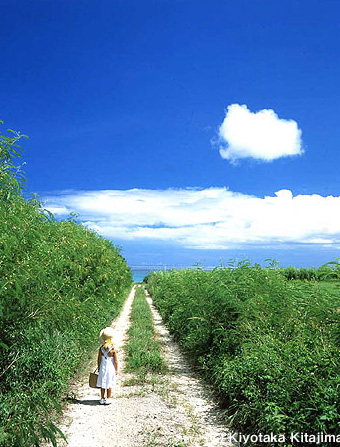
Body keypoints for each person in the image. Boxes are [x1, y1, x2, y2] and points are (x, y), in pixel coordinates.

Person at [96, 326, 118, 405]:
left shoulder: (101, 349)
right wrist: (116, 369)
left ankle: (102, 398)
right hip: (110, 368)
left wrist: (99, 367)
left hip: (103, 367)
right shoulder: (113, 350)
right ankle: (108, 398)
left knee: (102, 384)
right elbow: (115, 361)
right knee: (109, 384)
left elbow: (99, 359)